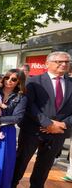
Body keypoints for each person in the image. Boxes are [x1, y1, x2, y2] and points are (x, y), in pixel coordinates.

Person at [12, 51, 72, 188]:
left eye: (67, 62)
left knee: (44, 167)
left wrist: (63, 124)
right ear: (47, 64)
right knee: (20, 162)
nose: (64, 64)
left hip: (58, 133)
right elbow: (29, 105)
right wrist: (47, 123)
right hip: (33, 131)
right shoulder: (33, 82)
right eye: (59, 62)